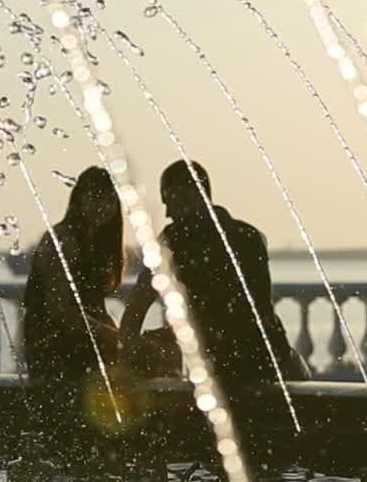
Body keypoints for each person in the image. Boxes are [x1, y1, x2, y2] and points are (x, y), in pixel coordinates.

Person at [120, 160, 304, 470]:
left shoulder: (171, 241)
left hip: (221, 372)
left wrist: (123, 365)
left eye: (169, 201)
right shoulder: (250, 236)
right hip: (269, 361)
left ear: (186, 195)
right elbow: (249, 313)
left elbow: (136, 310)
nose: (166, 213)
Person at [20, 166, 126, 454]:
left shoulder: (97, 245)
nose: (103, 207)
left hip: (82, 344)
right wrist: (112, 336)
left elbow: (95, 308)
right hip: (55, 348)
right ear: (78, 200)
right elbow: (60, 312)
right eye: (95, 198)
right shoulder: (63, 240)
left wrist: (123, 337)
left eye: (109, 200)